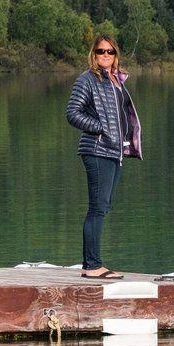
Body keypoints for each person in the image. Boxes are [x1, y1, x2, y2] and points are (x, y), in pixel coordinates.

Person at [65, 35, 142, 280]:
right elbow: (72, 113)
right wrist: (100, 128)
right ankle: (92, 265)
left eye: (110, 52)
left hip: (114, 151)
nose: (105, 56)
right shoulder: (87, 80)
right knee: (97, 208)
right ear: (93, 54)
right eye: (101, 51)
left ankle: (93, 264)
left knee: (103, 207)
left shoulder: (116, 81)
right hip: (96, 150)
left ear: (115, 54)